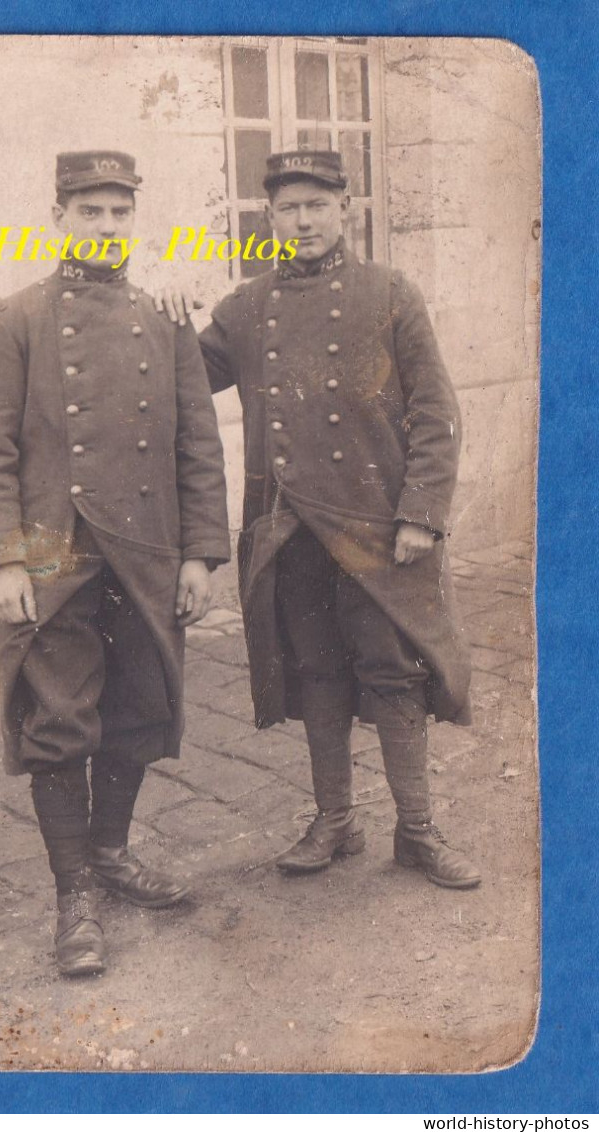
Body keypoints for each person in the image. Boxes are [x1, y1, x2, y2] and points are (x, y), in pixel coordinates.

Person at [168, 149, 480, 889]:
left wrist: (423, 515)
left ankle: (418, 830)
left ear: (346, 209)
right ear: (268, 218)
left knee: (395, 674)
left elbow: (436, 409)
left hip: (378, 530)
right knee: (316, 676)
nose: (302, 220)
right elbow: (183, 380)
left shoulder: (390, 293)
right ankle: (335, 821)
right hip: (287, 531)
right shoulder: (245, 308)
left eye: (316, 205)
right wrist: (170, 314)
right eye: (287, 208)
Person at [0, 150, 230, 978]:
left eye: (120, 213)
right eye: (91, 212)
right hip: (50, 545)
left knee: (139, 710)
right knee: (59, 720)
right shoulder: (14, 319)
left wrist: (200, 555)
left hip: (144, 545)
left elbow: (197, 448)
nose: (107, 227)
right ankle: (73, 892)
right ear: (59, 217)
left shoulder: (165, 320)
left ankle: (110, 853)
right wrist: (5, 562)